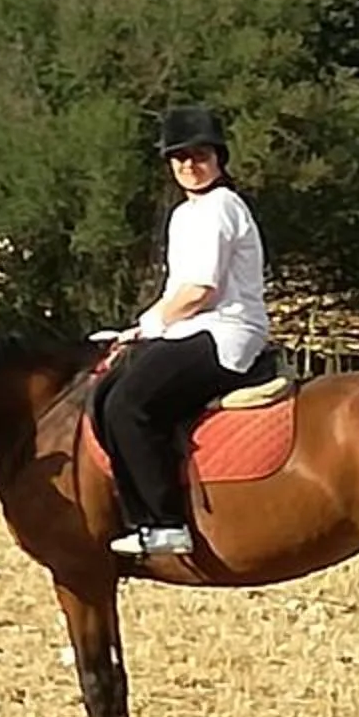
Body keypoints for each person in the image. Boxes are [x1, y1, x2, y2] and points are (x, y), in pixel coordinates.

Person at [97, 105, 273, 559]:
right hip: (194, 328)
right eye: (179, 159)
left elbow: (199, 291)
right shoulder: (186, 214)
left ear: (218, 158)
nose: (189, 166)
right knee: (108, 389)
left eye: (199, 156)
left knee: (129, 403)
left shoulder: (219, 208)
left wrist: (145, 327)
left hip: (226, 332)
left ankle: (164, 521)